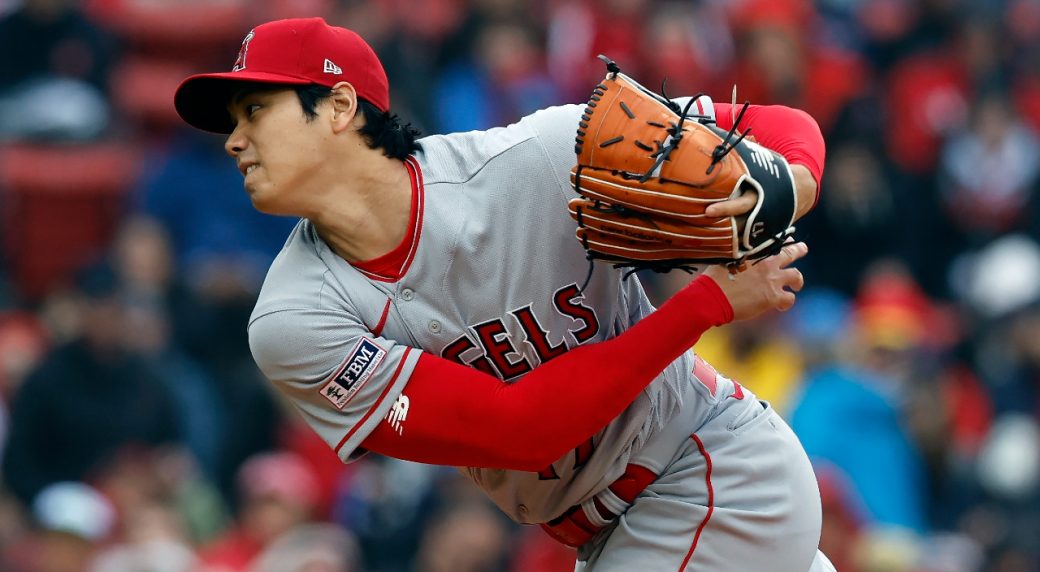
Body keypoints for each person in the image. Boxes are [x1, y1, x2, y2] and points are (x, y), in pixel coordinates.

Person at [173, 17, 833, 571]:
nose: (234, 138)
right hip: (609, 530)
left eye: (256, 109)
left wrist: (786, 190)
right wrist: (704, 305)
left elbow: (781, 126)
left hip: (708, 466)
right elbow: (521, 434)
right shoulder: (295, 321)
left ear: (341, 106)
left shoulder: (539, 157)